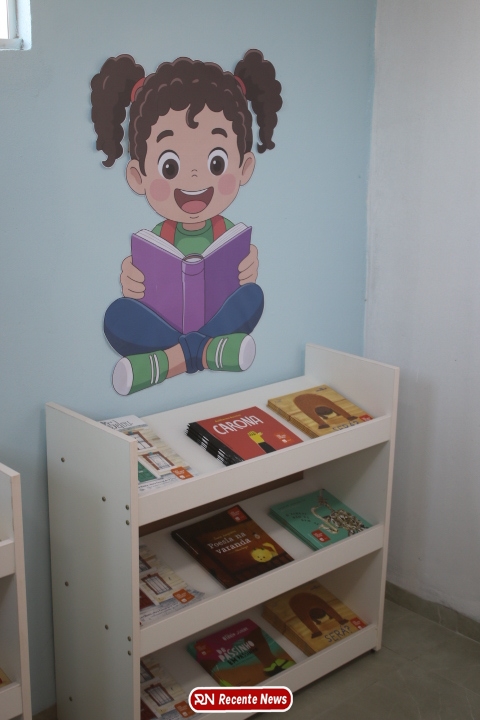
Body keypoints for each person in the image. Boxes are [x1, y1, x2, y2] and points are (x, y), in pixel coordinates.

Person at [91, 50, 282, 394]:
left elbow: (241, 285)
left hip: (217, 318)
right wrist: (131, 279)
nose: (194, 177)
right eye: (170, 166)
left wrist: (248, 267)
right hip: (166, 324)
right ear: (138, 176)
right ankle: (207, 352)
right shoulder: (156, 238)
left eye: (216, 162)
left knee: (253, 297)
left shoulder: (229, 234)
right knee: (118, 318)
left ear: (244, 168)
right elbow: (142, 281)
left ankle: (167, 362)